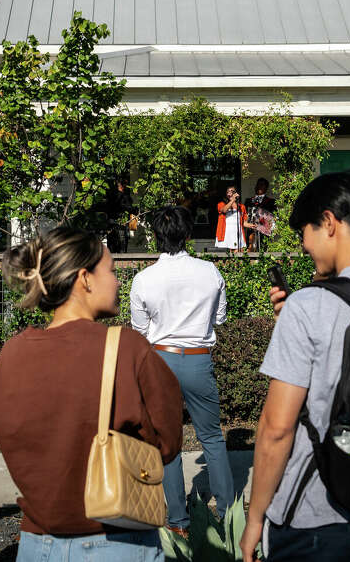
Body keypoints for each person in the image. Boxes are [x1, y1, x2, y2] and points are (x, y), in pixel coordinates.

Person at [240, 172, 350, 562]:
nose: (306, 247)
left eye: (306, 234)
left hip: (317, 519)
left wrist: (255, 518)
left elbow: (276, 428)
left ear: (328, 223)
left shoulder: (309, 305)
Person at [0, 227, 183, 561]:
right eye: (110, 269)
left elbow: (8, 432)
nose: (118, 281)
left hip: (37, 545)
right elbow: (167, 442)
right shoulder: (125, 348)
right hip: (118, 541)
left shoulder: (12, 355)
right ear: (85, 278)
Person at [130, 206, 236, 535]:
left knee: (167, 440)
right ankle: (230, 516)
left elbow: (139, 330)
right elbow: (219, 318)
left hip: (161, 360)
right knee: (212, 438)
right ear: (188, 235)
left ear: (157, 238)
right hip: (199, 357)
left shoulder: (144, 279)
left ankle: (178, 522)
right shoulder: (210, 272)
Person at [244, 178, 277, 252]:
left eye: (262, 185)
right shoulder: (248, 201)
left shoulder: (271, 202)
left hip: (263, 232)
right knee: (250, 250)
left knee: (263, 249)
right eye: (258, 184)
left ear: (266, 188)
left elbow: (274, 217)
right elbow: (245, 215)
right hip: (251, 230)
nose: (259, 186)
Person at [216, 185, 247, 251]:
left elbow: (244, 223)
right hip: (227, 232)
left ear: (236, 193)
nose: (229, 193)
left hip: (238, 232)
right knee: (230, 252)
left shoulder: (242, 206)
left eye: (232, 191)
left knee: (239, 251)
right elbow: (224, 210)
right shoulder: (221, 204)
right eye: (228, 192)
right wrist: (232, 200)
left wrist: (253, 225)